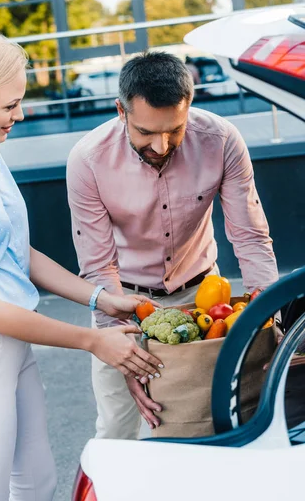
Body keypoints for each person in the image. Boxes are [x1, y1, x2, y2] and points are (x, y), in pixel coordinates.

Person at [0, 31, 163, 501]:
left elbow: (17, 255)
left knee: (38, 483)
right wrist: (92, 340)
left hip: (16, 347)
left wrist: (101, 298)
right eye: (10, 105)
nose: (19, 115)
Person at [66, 51, 279, 440]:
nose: (162, 146)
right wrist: (127, 358)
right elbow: (98, 266)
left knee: (213, 422)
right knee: (120, 428)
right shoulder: (87, 160)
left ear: (189, 106)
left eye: (175, 130)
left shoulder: (222, 140)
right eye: (146, 133)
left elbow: (249, 235)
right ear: (120, 110)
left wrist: (271, 321)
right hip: (123, 300)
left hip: (205, 295)